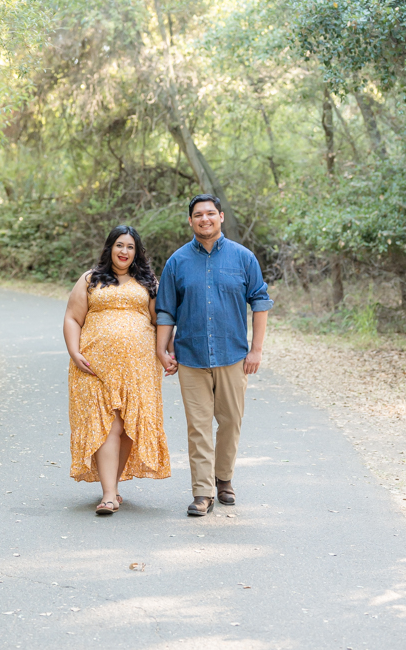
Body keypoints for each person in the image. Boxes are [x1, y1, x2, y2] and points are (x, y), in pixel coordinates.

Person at [155, 194, 273, 516]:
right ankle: (202, 492)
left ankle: (224, 478)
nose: (204, 219)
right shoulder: (176, 262)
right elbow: (165, 310)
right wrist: (161, 349)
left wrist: (256, 350)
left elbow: (260, 303)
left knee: (231, 422)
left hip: (232, 355)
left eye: (210, 213)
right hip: (191, 357)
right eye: (198, 215)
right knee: (198, 426)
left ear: (220, 216)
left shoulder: (244, 258)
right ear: (190, 221)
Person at [64, 225, 174, 515]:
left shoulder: (148, 282)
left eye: (130, 247)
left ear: (136, 252)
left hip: (138, 368)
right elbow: (73, 318)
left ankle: (112, 486)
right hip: (95, 367)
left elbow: (161, 321)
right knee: (108, 425)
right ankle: (109, 494)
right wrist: (74, 352)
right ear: (110, 248)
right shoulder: (90, 280)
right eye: (119, 245)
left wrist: (167, 352)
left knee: (127, 428)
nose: (124, 251)